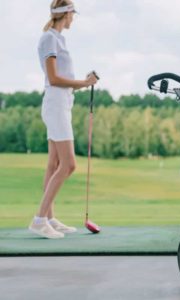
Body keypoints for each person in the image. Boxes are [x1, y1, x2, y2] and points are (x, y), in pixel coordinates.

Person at [29, 0, 99, 239]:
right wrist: (85, 83)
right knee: (68, 165)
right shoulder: (49, 38)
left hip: (61, 104)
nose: (73, 19)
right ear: (66, 14)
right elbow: (54, 78)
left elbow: (61, 80)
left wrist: (81, 82)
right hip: (56, 105)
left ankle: (48, 218)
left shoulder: (58, 39)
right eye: (72, 14)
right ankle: (39, 219)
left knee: (54, 165)